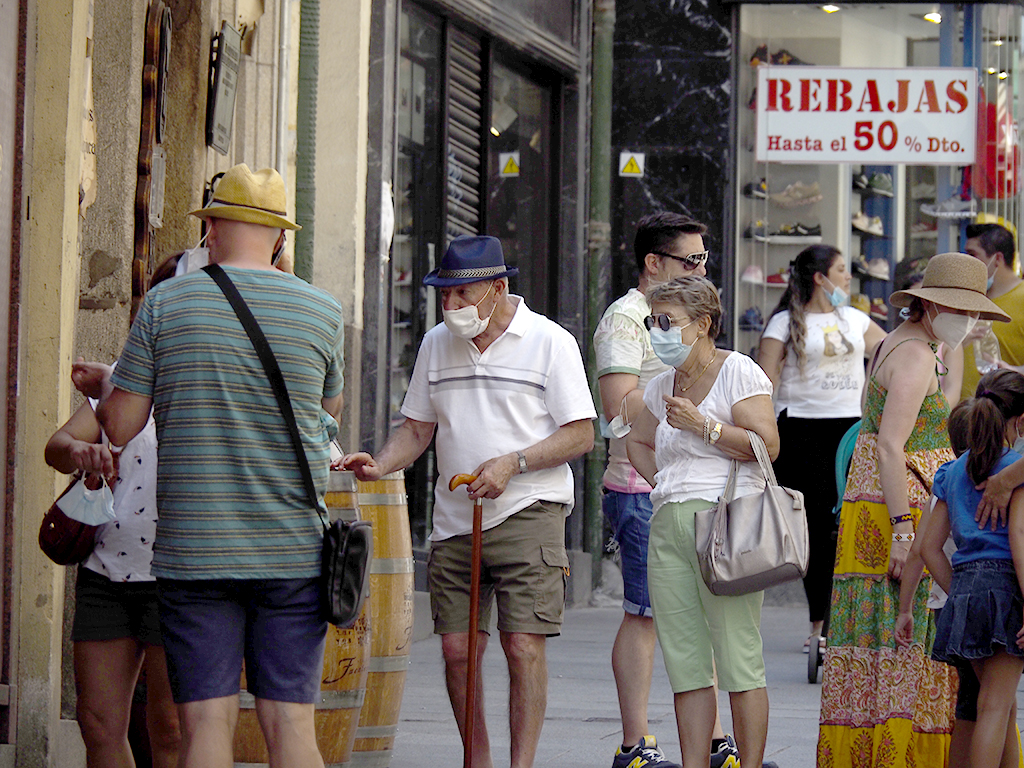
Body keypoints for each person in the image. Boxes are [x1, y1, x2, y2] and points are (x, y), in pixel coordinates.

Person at [97, 164, 345, 768]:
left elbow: (121, 426)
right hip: (293, 552)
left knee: (205, 720)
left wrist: (112, 384)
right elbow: (326, 411)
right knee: (290, 723)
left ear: (210, 227)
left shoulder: (166, 303)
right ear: (281, 237)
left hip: (195, 551)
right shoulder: (321, 311)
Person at [341, 235, 595, 768]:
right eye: (443, 296)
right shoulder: (436, 343)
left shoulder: (550, 342)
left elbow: (581, 435)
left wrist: (514, 463)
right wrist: (382, 463)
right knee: (458, 651)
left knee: (522, 646)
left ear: (498, 288)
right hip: (455, 518)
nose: (451, 307)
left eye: (462, 296)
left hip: (530, 510)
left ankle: (519, 765)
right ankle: (476, 760)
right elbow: (416, 428)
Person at [817, 252, 1010, 767]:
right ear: (927, 304)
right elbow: (890, 445)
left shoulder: (906, 343)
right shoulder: (918, 354)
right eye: (958, 309)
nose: (967, 321)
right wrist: (904, 530)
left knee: (880, 642)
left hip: (886, 496)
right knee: (908, 641)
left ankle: (873, 750)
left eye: (973, 313)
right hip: (899, 501)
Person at [596, 213, 745, 768]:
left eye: (705, 260)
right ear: (653, 263)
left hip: (691, 484)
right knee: (646, 613)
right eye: (691, 260)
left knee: (695, 611)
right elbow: (620, 410)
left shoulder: (680, 315)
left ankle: (714, 739)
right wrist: (683, 413)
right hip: (643, 485)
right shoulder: (627, 320)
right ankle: (635, 743)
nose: (702, 269)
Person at [625, 276, 780, 768]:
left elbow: (767, 446)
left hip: (725, 521)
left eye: (667, 321)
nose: (657, 331)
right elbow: (636, 441)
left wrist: (704, 426)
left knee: (738, 657)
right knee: (685, 663)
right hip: (669, 520)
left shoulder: (738, 371)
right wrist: (665, 482)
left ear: (704, 324)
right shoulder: (659, 386)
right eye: (653, 322)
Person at [44, 255, 184, 768]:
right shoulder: (124, 378)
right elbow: (58, 444)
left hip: (180, 573)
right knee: (98, 722)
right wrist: (79, 452)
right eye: (157, 303)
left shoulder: (213, 384)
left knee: (169, 728)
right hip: (107, 568)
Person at [756, 245, 886, 653]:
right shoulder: (782, 323)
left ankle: (842, 621)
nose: (849, 278)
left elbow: (893, 352)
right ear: (820, 277)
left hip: (848, 429)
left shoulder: (856, 319)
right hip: (799, 431)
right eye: (843, 270)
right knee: (812, 530)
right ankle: (819, 624)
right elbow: (762, 382)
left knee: (847, 525)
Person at [896, 397, 1022, 768]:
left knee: (989, 706)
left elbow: (925, 549)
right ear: (1013, 424)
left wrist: (961, 593)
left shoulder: (951, 473)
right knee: (994, 708)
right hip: (1005, 591)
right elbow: (1019, 540)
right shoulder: (1014, 469)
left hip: (963, 594)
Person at [960, 222, 1024, 401]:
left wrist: (1015, 372)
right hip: (961, 417)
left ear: (997, 259)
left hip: (1006, 417)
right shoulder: (964, 299)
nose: (967, 262)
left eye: (973, 255)